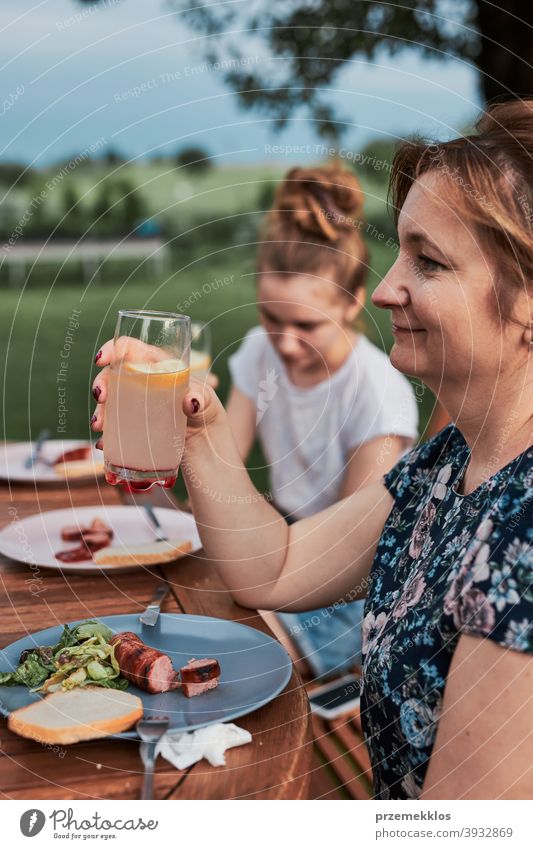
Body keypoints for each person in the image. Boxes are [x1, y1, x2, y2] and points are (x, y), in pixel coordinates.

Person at [91, 100, 533, 799]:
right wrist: (197, 422)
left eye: (428, 261)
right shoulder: (444, 465)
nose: (385, 289)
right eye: (399, 251)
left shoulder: (522, 537)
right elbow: (277, 566)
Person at [225, 164, 418, 677]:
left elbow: (349, 553)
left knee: (239, 656)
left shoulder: (377, 394)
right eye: (271, 316)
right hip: (283, 545)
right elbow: (220, 466)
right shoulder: (257, 352)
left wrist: (260, 565)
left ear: (354, 300)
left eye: (306, 324)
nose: (285, 343)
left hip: (353, 588)